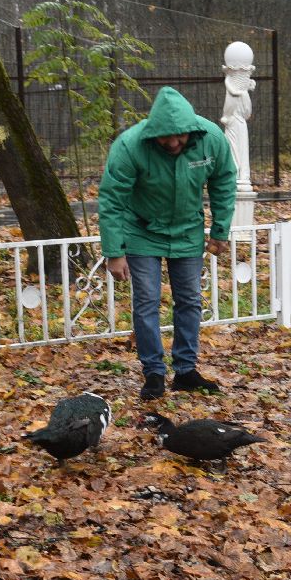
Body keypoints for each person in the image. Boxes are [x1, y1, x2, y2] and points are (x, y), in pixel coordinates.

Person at [99, 86, 238, 400]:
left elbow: (224, 180)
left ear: (191, 128)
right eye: (165, 138)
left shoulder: (211, 139)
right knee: (147, 301)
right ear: (153, 132)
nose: (173, 143)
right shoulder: (130, 146)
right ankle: (154, 373)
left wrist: (220, 230)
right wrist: (114, 252)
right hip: (142, 231)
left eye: (180, 136)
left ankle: (185, 371)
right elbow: (112, 200)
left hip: (187, 230)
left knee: (189, 300)